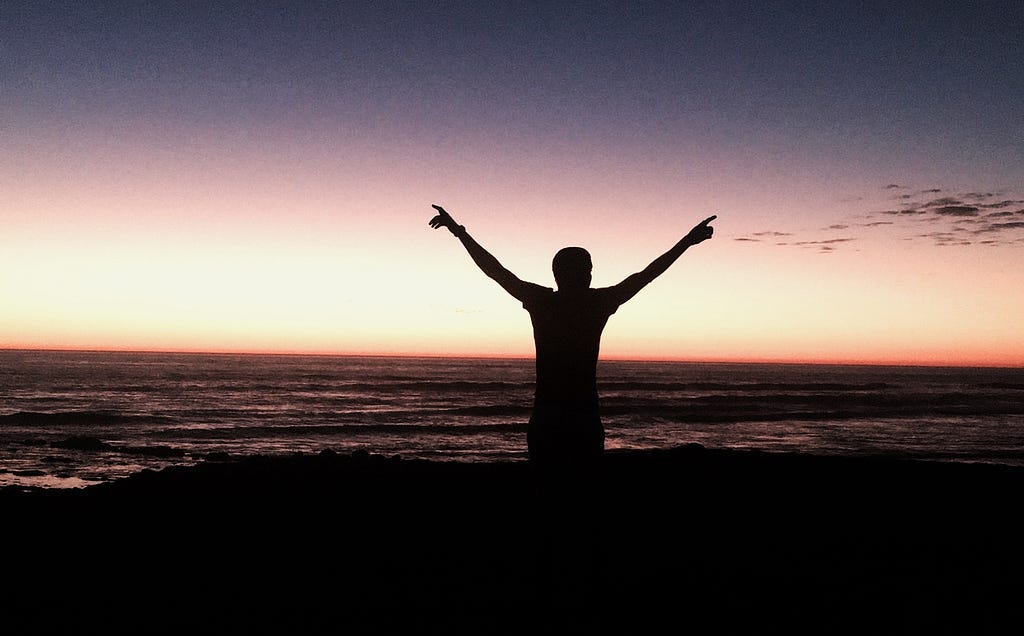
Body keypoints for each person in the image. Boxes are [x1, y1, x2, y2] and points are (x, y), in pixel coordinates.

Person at [427, 203, 716, 472]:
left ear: (555, 274)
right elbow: (648, 274)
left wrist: (458, 232)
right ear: (585, 273)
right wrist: (686, 242)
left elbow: (496, 271)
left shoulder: (542, 301)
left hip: (548, 415)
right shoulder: (598, 302)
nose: (588, 274)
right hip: (582, 416)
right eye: (586, 269)